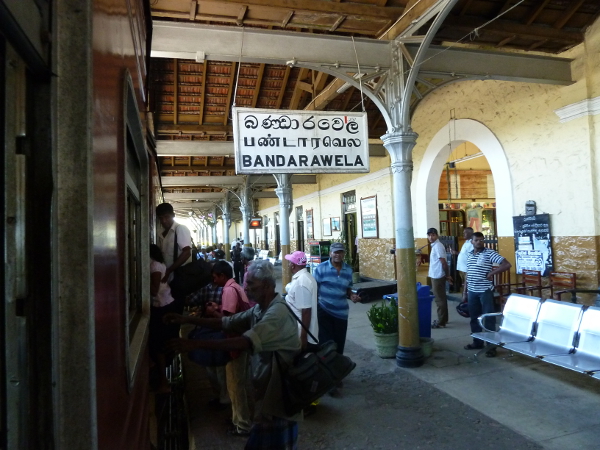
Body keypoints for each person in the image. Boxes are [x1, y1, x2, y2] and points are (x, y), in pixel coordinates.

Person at [165, 260, 301, 448]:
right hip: (267, 397)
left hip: (280, 397)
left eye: (251, 284)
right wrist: (184, 319)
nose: (246, 288)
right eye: (246, 283)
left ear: (268, 286)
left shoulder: (276, 314)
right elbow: (227, 322)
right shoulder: (260, 309)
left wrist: (194, 344)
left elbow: (245, 341)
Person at [210, 260, 253, 436]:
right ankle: (239, 418)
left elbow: (227, 320)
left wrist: (213, 311)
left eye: (215, 277)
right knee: (241, 383)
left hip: (235, 342)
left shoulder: (228, 290)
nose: (213, 281)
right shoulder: (236, 286)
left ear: (222, 275)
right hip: (243, 339)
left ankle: (242, 425)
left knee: (235, 385)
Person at [313, 242, 360, 397]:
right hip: (324, 311)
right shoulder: (320, 269)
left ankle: (337, 375)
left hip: (341, 313)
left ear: (343, 254)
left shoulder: (348, 270)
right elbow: (314, 290)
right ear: (331, 253)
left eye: (340, 252)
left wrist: (351, 295)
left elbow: (348, 288)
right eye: (335, 252)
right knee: (327, 346)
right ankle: (329, 382)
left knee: (339, 347)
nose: (337, 255)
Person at [463, 232, 512, 357]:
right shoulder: (469, 255)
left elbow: (506, 264)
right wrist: (465, 291)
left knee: (488, 318)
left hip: (485, 291)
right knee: (474, 318)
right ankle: (477, 342)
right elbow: (468, 274)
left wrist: (492, 274)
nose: (479, 242)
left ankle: (491, 347)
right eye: (476, 240)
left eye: (481, 240)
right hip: (472, 292)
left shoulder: (489, 253)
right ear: (472, 242)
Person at [149, 244, 179, 394]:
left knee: (159, 342)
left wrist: (138, 280)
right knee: (162, 340)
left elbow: (154, 291)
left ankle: (163, 382)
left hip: (161, 306)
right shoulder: (160, 264)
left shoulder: (154, 265)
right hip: (166, 303)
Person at [156, 202, 192, 313]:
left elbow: (187, 253)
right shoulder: (160, 233)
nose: (164, 221)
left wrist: (169, 270)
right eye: (161, 218)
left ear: (173, 215)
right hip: (168, 278)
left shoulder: (180, 229)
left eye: (166, 217)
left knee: (176, 308)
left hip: (179, 277)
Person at [284, 251, 318, 350]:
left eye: (290, 262)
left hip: (299, 332)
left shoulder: (301, 282)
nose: (289, 265)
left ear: (293, 265)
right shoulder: (306, 277)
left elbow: (306, 311)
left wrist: (303, 337)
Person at [427, 227, 453, 329]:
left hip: (438, 276)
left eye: (433, 235)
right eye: (429, 235)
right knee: (441, 298)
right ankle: (444, 319)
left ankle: (441, 322)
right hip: (436, 274)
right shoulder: (435, 246)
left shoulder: (438, 246)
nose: (431, 237)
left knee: (439, 300)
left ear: (437, 235)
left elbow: (444, 263)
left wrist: (447, 275)